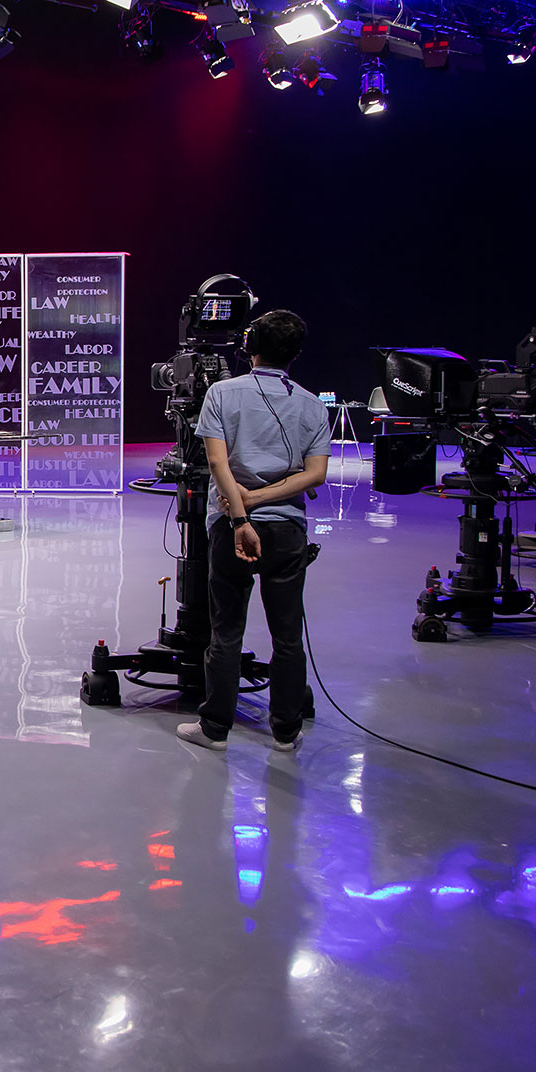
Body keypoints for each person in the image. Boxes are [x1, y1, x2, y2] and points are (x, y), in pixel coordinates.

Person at [177, 309, 332, 753]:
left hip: (232, 527)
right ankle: (286, 731)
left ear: (250, 347)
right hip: (287, 531)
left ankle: (215, 729)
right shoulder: (312, 405)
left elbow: (216, 462)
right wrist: (264, 499)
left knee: (226, 632)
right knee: (287, 636)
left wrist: (242, 514)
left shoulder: (222, 394)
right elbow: (316, 474)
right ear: (296, 354)